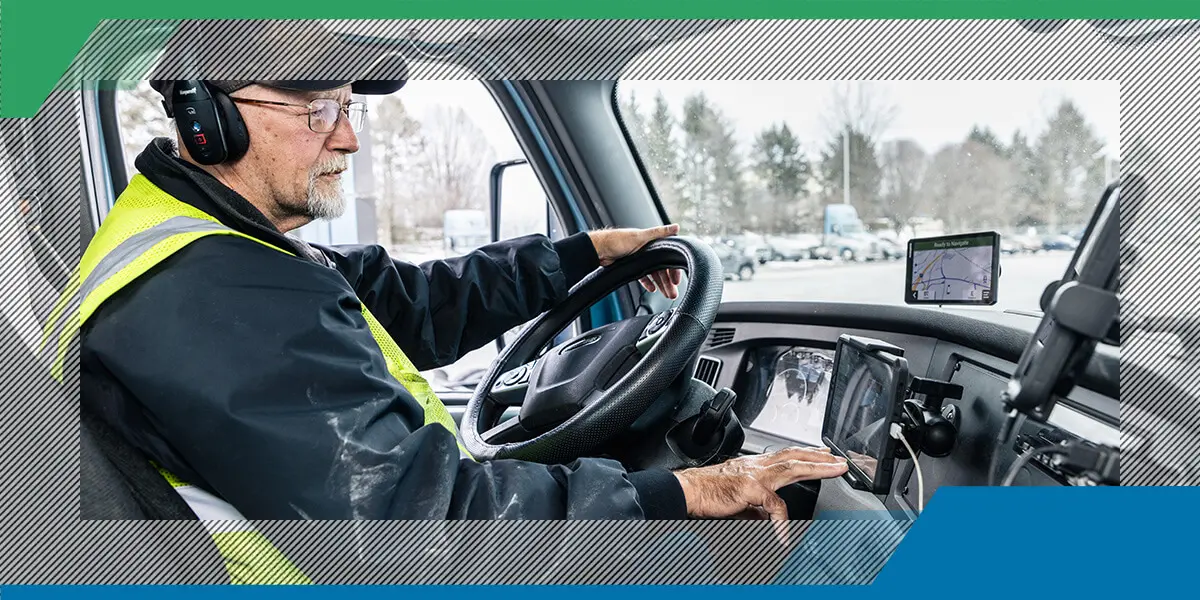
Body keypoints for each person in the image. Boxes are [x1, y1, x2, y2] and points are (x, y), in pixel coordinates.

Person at [64, 77, 847, 530]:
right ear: (208, 120)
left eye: (349, 109)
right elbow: (418, 533)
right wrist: (685, 489)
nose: (349, 140)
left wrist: (578, 255)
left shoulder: (219, 243)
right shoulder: (212, 291)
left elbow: (409, 304)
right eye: (317, 111)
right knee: (846, 546)